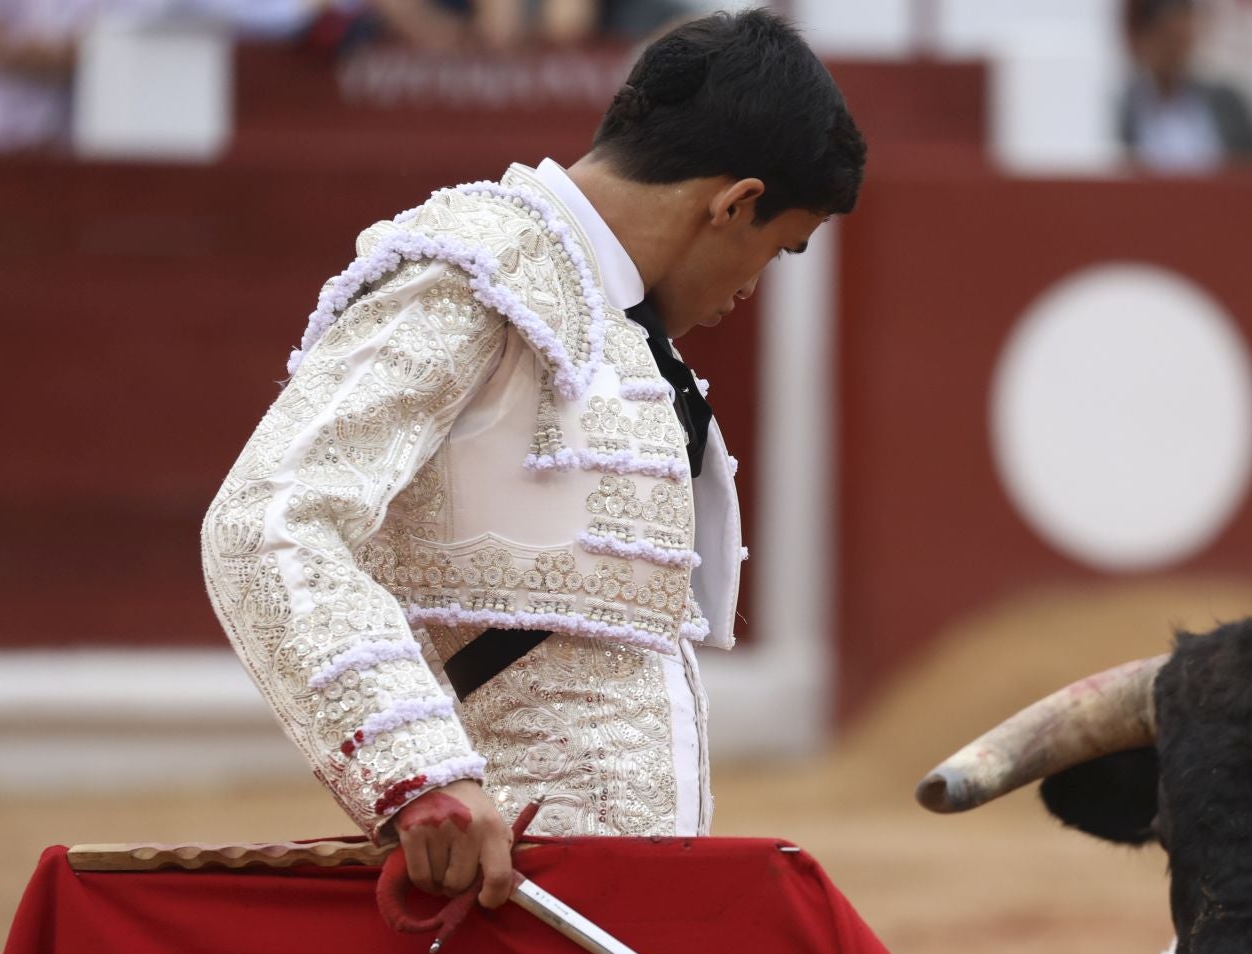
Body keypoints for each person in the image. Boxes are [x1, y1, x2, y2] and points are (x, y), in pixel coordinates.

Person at [201, 9, 865, 908]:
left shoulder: (614, 321)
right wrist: (418, 773)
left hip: (599, 901)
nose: (752, 286)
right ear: (735, 202)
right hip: (501, 900)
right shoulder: (480, 268)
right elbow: (267, 519)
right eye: (777, 248)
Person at [1117, 0, 1252, 172]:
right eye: (1167, 40)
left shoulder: (1226, 103)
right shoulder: (1132, 109)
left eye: (1180, 42)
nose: (1174, 53)